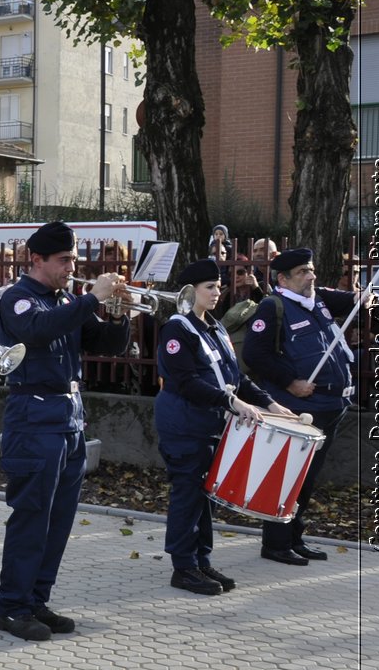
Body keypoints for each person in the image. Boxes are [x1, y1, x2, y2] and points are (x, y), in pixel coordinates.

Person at [0, 222, 131, 641]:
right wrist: (92, 299)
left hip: (69, 418)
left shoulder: (66, 299)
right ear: (37, 260)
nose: (72, 267)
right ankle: (11, 606)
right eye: (64, 260)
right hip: (34, 418)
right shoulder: (18, 299)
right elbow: (39, 330)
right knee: (32, 517)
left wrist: (120, 313)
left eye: (73, 259)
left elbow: (108, 344)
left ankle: (37, 600)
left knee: (59, 520)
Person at [156, 259, 295, 593]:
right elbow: (186, 382)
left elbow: (236, 377)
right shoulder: (177, 329)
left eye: (219, 286)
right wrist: (232, 403)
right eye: (210, 287)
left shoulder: (214, 326)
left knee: (205, 497)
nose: (218, 292)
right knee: (188, 496)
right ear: (191, 292)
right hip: (185, 427)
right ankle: (183, 567)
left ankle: (201, 561)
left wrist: (270, 403)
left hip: (213, 427)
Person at [243, 247, 367, 566]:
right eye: (302, 272)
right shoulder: (274, 307)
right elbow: (255, 356)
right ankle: (276, 543)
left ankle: (294, 536)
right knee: (288, 475)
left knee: (307, 478)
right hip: (299, 406)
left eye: (310, 269)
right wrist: (290, 383)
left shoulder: (319, 298)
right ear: (283, 279)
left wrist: (365, 297)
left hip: (331, 404)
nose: (310, 275)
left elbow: (355, 301)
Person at [220, 238, 279, 355]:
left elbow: (268, 309)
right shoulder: (227, 294)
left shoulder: (262, 285)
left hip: (259, 338)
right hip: (234, 342)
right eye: (231, 274)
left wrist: (256, 288)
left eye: (240, 272)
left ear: (249, 271)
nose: (236, 276)